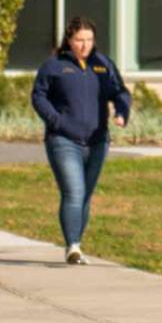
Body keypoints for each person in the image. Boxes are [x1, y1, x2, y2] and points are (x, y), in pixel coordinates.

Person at [31, 17, 130, 265]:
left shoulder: (103, 65)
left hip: (97, 141)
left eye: (89, 39)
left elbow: (120, 91)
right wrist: (56, 120)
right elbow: (39, 96)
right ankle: (73, 246)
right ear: (69, 40)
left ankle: (76, 242)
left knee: (85, 195)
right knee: (74, 191)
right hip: (64, 140)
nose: (85, 45)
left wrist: (121, 111)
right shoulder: (54, 65)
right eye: (79, 40)